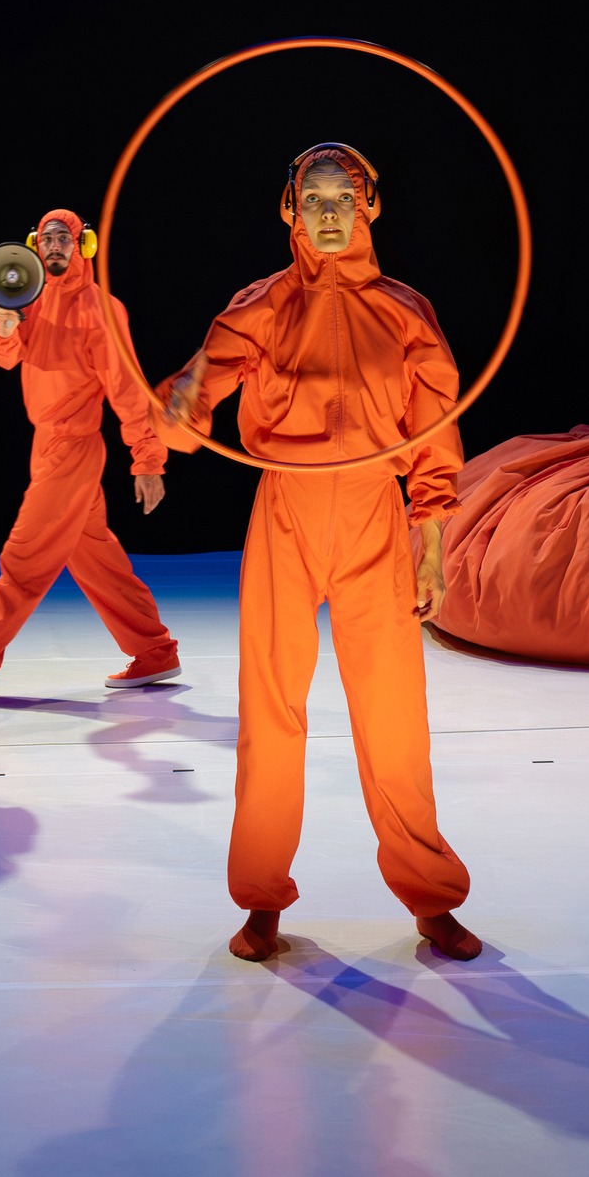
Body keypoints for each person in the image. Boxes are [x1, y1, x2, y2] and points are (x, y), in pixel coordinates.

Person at [158, 145, 480, 962]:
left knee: (395, 715)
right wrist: (177, 408)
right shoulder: (260, 306)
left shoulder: (407, 311)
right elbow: (196, 391)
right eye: (314, 198)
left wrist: (431, 539)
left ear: (371, 207)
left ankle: (431, 896)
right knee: (271, 709)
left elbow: (435, 432)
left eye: (345, 197)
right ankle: (263, 898)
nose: (329, 212)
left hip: (374, 510)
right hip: (287, 512)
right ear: (289, 210)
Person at [0, 209, 182, 699]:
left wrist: (147, 459)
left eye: (64, 237)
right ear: (34, 247)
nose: (54, 245)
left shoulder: (102, 309)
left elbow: (127, 391)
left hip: (75, 448)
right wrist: (3, 325)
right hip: (47, 445)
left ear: (84, 244)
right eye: (46, 238)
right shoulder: (31, 301)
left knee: (24, 557)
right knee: (97, 559)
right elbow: (0, 356)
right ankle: (155, 651)